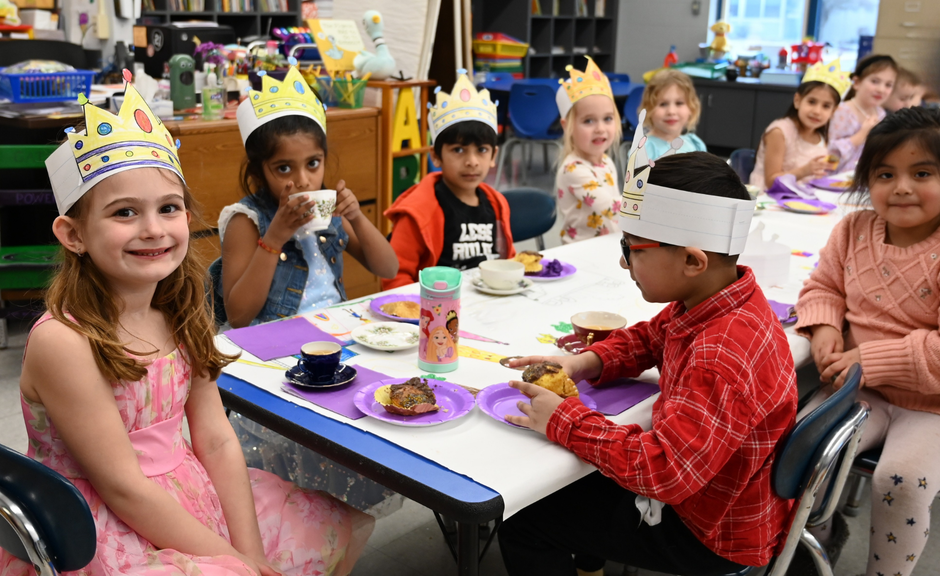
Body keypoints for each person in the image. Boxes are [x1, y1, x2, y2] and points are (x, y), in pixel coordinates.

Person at [1, 70, 373, 576]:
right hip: (100, 527)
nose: (153, 229)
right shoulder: (65, 342)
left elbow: (216, 439)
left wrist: (250, 554)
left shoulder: (180, 310)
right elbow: (123, 487)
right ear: (73, 234)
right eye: (125, 212)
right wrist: (233, 562)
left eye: (169, 208)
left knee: (326, 522)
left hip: (187, 492)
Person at [498, 147, 798, 576]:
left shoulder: (720, 355)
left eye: (633, 248)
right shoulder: (718, 298)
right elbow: (651, 337)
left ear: (693, 260)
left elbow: (665, 470)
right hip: (714, 495)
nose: (624, 261)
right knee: (583, 478)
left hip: (709, 533)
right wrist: (586, 362)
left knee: (524, 523)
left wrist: (564, 418)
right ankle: (590, 563)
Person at [794, 107, 940, 576]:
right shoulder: (852, 230)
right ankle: (817, 545)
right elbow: (822, 286)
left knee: (901, 479)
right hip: (860, 389)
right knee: (795, 447)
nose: (903, 186)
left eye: (922, 172)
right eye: (885, 173)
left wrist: (866, 358)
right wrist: (826, 325)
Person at [214, 63, 397, 327]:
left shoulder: (330, 209)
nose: (303, 181)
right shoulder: (246, 221)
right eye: (284, 168)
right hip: (272, 345)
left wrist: (356, 216)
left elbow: (388, 269)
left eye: (313, 163)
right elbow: (239, 317)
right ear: (258, 173)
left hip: (334, 334)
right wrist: (274, 238)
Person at [384, 69, 515, 289]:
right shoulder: (417, 212)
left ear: (494, 155)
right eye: (458, 150)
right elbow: (395, 278)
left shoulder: (497, 204)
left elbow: (507, 260)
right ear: (435, 156)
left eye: (481, 150)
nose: (472, 161)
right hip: (436, 311)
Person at [749, 59, 848, 189]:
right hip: (768, 200)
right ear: (797, 100)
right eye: (812, 102)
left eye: (826, 106)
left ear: (833, 111)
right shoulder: (780, 132)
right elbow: (770, 182)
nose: (817, 111)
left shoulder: (821, 138)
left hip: (802, 200)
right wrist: (805, 171)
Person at [554, 56, 623, 243]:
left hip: (605, 246)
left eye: (607, 118)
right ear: (567, 125)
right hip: (580, 253)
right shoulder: (573, 170)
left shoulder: (606, 162)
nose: (600, 128)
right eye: (588, 121)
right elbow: (611, 208)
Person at [828, 54, 898, 173]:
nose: (881, 89)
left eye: (888, 85)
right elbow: (829, 154)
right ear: (857, 82)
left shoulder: (880, 113)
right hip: (835, 179)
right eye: (875, 81)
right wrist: (861, 135)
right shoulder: (842, 111)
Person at [638, 68, 706, 160]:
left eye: (679, 103)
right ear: (649, 108)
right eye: (663, 104)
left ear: (691, 108)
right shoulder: (644, 150)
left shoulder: (695, 144)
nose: (671, 111)